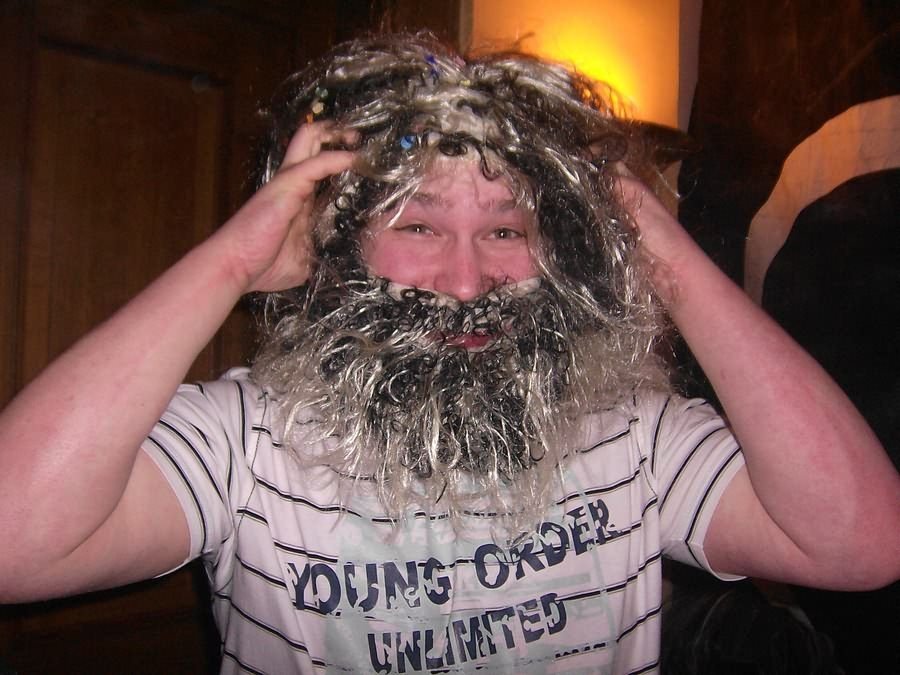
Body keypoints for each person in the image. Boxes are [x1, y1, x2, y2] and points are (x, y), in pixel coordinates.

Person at [0, 33, 897, 674]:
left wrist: (652, 246)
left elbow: (865, 542)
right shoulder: (246, 439)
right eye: (418, 226)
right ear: (341, 243)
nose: (467, 282)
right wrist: (236, 261)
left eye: (506, 229)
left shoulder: (637, 436)